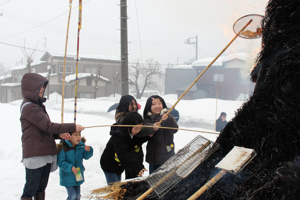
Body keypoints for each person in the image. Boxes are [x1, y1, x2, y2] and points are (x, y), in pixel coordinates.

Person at [20, 73, 84, 200]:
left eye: (43, 87)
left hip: (43, 153)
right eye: (40, 87)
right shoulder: (30, 108)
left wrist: (58, 134)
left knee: (41, 187)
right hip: (35, 155)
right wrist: (72, 127)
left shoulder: (37, 106)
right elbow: (48, 126)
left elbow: (43, 129)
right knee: (31, 188)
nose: (43, 90)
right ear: (32, 88)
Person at [100, 112, 148, 185]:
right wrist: (137, 167)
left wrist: (148, 136)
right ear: (129, 125)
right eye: (136, 128)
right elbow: (123, 154)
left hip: (118, 165)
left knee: (117, 185)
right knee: (115, 188)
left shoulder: (128, 133)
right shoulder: (119, 136)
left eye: (140, 129)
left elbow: (135, 141)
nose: (138, 131)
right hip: (109, 165)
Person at [114, 95, 149, 179]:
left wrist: (148, 136)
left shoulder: (133, 117)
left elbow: (137, 138)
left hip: (135, 154)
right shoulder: (123, 119)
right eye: (131, 104)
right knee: (132, 178)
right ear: (124, 105)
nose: (134, 106)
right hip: (130, 155)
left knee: (132, 178)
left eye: (135, 104)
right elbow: (138, 133)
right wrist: (151, 129)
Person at [143, 95, 179, 174]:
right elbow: (144, 133)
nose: (157, 106)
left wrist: (167, 119)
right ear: (149, 107)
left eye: (159, 103)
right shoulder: (147, 119)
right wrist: (151, 128)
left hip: (167, 156)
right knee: (153, 180)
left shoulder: (168, 116)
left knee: (165, 180)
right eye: (154, 104)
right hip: (152, 157)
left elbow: (175, 129)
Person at [57, 131, 93, 200]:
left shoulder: (81, 146)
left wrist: (89, 151)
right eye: (75, 135)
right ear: (69, 137)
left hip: (78, 174)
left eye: (79, 135)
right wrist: (71, 168)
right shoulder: (63, 147)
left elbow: (86, 157)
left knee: (78, 196)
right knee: (72, 195)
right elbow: (60, 162)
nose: (78, 137)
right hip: (67, 175)